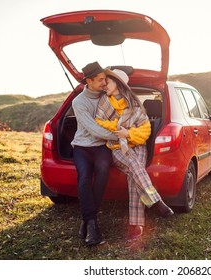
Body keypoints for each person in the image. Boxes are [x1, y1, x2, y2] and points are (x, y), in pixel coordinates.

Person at [95, 68, 174, 241]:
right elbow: (99, 123)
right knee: (134, 164)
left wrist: (128, 134)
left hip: (137, 145)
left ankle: (136, 224)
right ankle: (155, 202)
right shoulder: (103, 103)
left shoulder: (135, 105)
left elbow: (145, 131)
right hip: (116, 146)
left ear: (118, 83)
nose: (104, 85)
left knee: (134, 173)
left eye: (107, 82)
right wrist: (118, 130)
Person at [71, 61, 119, 246]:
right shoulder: (78, 102)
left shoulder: (105, 96)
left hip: (101, 146)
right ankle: (92, 223)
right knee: (83, 177)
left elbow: (117, 116)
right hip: (82, 146)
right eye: (100, 80)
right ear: (89, 81)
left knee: (103, 171)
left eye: (105, 79)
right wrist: (119, 136)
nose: (104, 83)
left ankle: (87, 220)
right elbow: (93, 129)